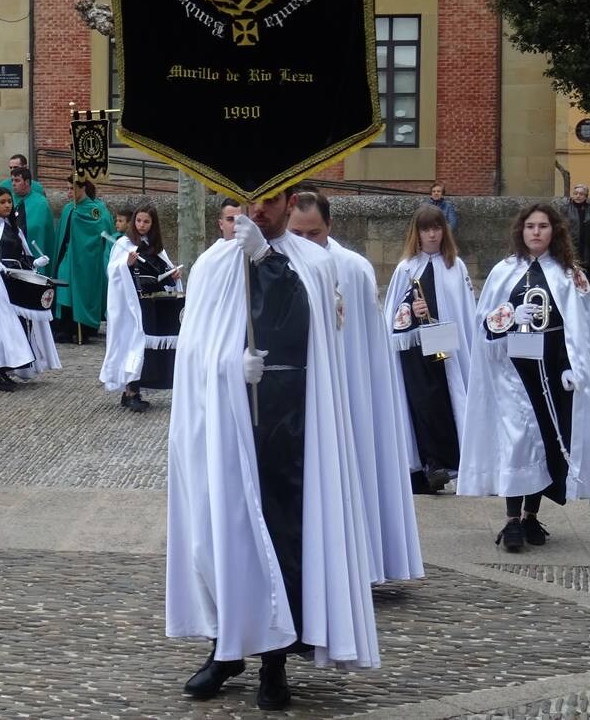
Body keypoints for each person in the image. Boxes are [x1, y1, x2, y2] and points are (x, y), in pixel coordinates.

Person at [167, 201, 379, 710]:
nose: (258, 212)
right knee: (222, 535)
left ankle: (275, 662)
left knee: (282, 539)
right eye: (249, 203)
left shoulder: (312, 261)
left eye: (269, 202)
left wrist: (267, 263)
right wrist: (225, 367)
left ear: (287, 204)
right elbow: (195, 349)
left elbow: (304, 326)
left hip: (289, 424)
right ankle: (226, 646)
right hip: (224, 422)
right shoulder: (212, 264)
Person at [460, 203, 590, 551]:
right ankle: (511, 520)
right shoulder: (504, 271)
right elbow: (485, 326)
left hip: (554, 372)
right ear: (521, 231)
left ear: (554, 231)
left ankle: (530, 516)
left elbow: (582, 328)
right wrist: (511, 314)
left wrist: (576, 367)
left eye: (543, 226)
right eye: (530, 226)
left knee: (547, 443)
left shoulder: (569, 274)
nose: (536, 232)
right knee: (518, 443)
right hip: (514, 373)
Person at [285, 191, 424, 584]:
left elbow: (369, 345)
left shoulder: (354, 269)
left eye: (314, 234)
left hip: (349, 391)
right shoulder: (278, 264)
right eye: (298, 232)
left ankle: (359, 565)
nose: (305, 242)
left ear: (329, 227)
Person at [384, 205, 475, 495]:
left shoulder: (455, 266)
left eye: (436, 228)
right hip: (416, 351)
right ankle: (428, 464)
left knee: (446, 400)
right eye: (426, 229)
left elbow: (465, 309)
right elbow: (392, 315)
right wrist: (410, 307)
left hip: (447, 347)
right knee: (422, 404)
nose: (432, 234)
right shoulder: (406, 268)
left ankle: (451, 461)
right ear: (418, 233)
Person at [0, 186, 60, 391]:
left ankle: (7, 368)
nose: (7, 205)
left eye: (9, 201)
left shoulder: (13, 228)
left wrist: (35, 262)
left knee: (17, 325)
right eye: (3, 202)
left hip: (14, 284)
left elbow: (22, 255)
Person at [100, 203, 182, 412]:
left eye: (146, 221)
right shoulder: (123, 244)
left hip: (152, 305)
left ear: (153, 224)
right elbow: (113, 272)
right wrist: (125, 264)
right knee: (132, 345)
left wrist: (173, 276)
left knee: (145, 348)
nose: (141, 225)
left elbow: (163, 275)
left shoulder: (157, 248)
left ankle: (133, 390)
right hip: (132, 307)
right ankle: (131, 391)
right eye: (138, 220)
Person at [51, 177, 114, 345]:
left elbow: (100, 233)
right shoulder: (68, 209)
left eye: (72, 189)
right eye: (68, 189)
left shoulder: (94, 210)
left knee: (81, 293)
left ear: (83, 188)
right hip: (67, 256)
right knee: (64, 289)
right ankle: (64, 328)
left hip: (85, 259)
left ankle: (81, 329)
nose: (69, 193)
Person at [10, 166, 56, 261]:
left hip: (33, 249)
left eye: (17, 180)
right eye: (12, 180)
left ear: (27, 182)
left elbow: (45, 233)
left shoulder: (40, 202)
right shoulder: (8, 200)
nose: (13, 184)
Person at [566, 184, 590, 276]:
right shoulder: (566, 209)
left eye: (581, 194)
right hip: (572, 245)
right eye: (575, 193)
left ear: (586, 196)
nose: (578, 196)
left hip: (588, 247)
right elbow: (560, 226)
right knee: (571, 271)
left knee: (587, 273)